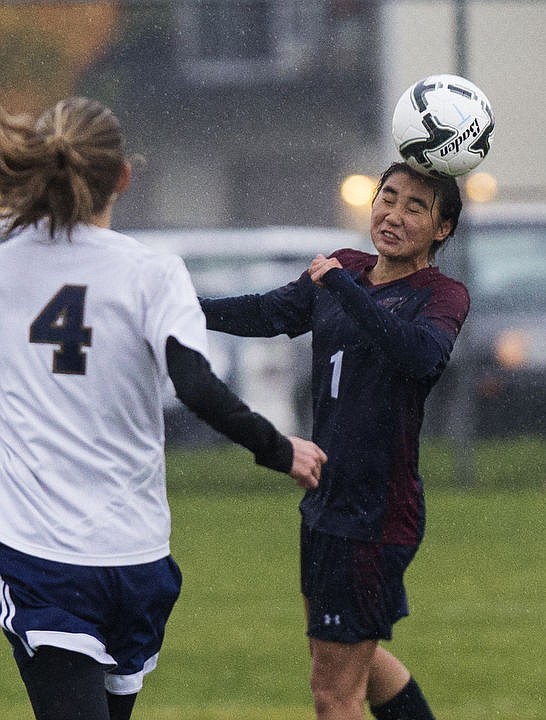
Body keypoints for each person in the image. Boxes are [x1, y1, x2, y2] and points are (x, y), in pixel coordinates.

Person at [0, 97, 327, 720]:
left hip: (43, 557)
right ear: (123, 176)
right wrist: (280, 449)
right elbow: (196, 386)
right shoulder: (153, 273)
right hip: (136, 559)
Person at [199, 161, 470, 720]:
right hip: (326, 498)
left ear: (442, 229)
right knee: (356, 663)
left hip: (375, 511)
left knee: (332, 691)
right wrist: (181, 308)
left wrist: (344, 287)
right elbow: (268, 312)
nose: (393, 214)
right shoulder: (344, 270)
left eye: (415, 207)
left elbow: (418, 356)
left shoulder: (441, 295)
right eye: (387, 197)